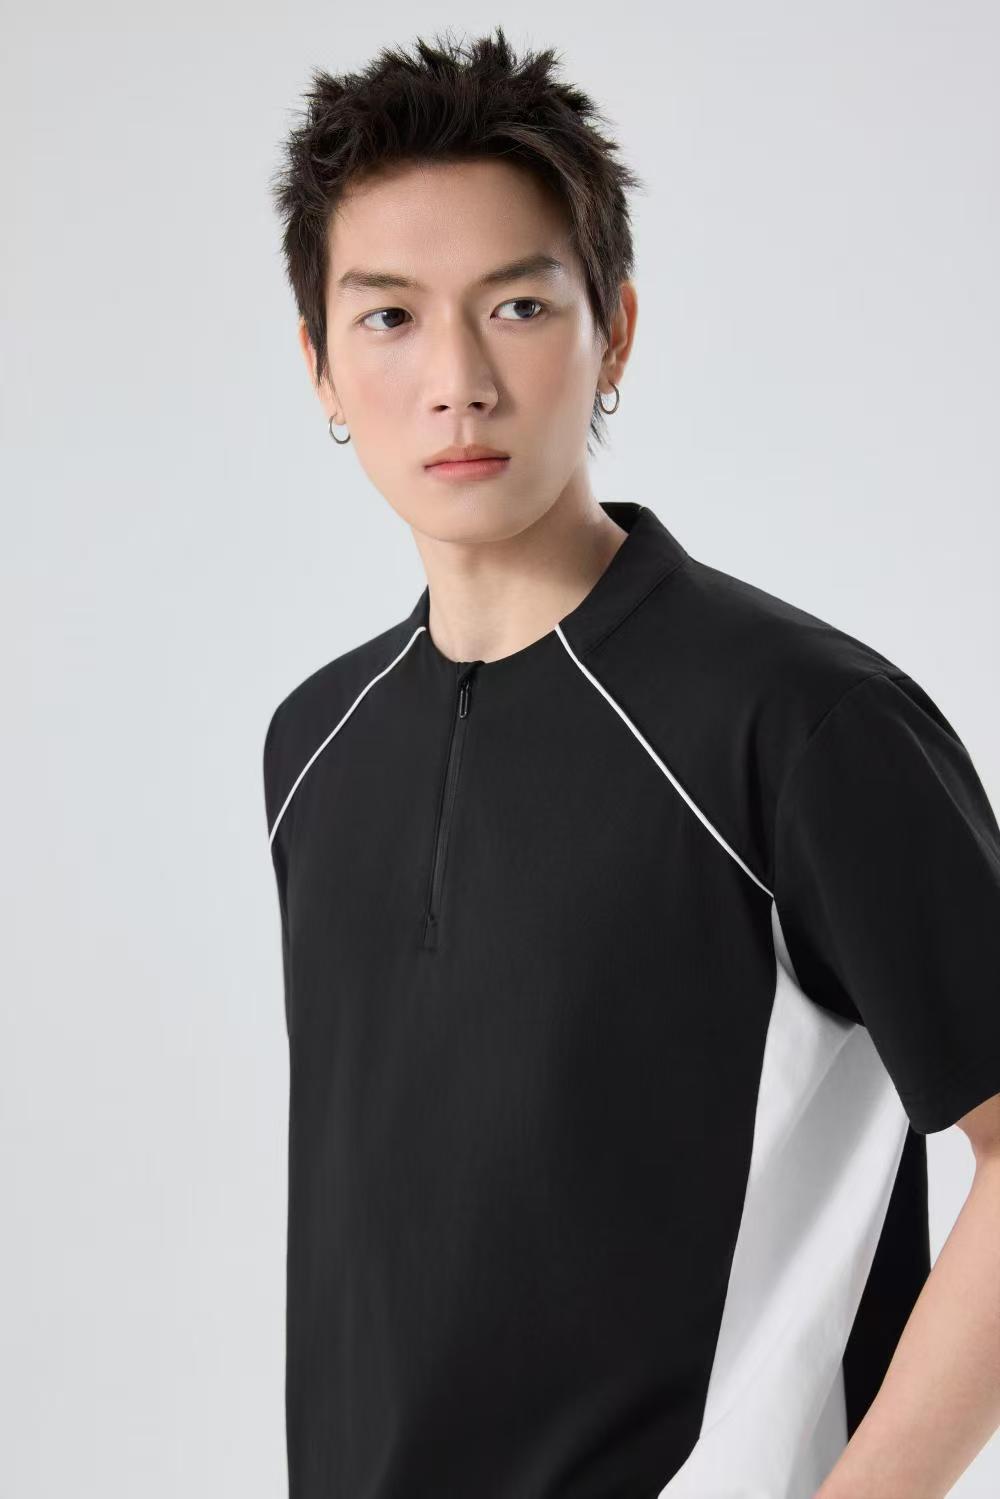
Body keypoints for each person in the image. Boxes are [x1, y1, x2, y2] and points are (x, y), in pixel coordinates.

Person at [261, 26, 1000, 1499]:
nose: (458, 381)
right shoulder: (314, 744)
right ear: (321, 365)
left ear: (615, 331)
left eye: (518, 306)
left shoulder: (801, 724)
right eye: (390, 316)